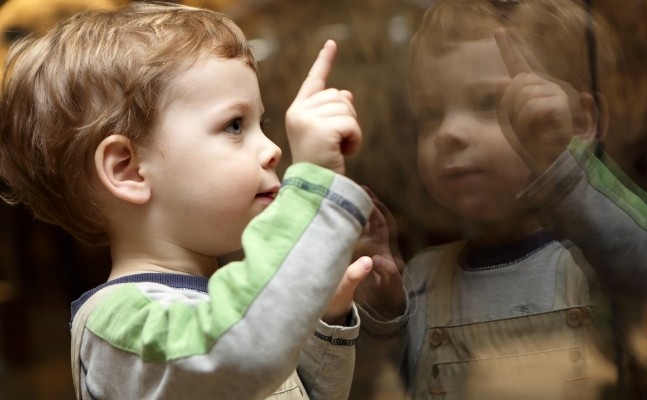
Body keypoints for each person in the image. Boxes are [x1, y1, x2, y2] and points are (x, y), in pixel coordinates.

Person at [0, 3, 375, 399]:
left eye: (260, 124)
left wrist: (320, 320)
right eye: (234, 125)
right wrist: (315, 188)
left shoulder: (224, 304)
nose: (273, 150)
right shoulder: (121, 325)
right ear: (128, 169)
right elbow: (241, 356)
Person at [351, 0, 647, 398]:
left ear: (581, 121)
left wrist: (560, 159)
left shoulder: (596, 263)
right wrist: (383, 312)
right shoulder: (422, 279)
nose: (448, 132)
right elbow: (375, 387)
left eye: (488, 103)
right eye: (430, 114)